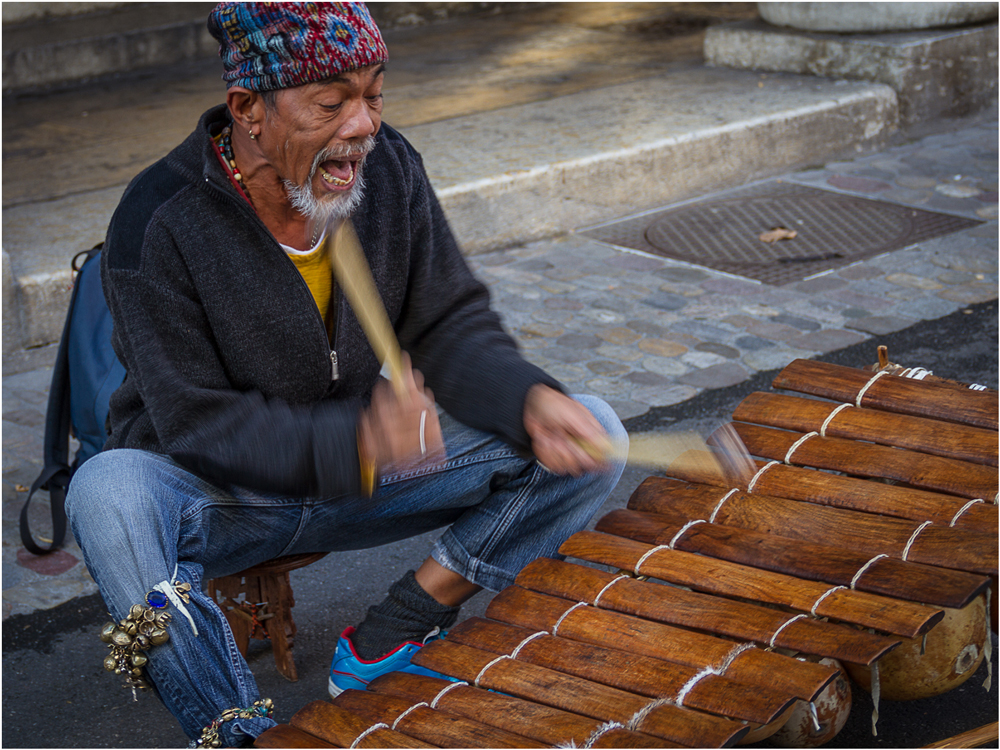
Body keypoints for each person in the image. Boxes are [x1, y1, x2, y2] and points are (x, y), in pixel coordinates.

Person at [66, 3, 627, 746]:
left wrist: (524, 397)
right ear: (248, 111)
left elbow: (448, 322)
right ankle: (240, 734)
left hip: (381, 478)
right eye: (332, 103)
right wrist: (355, 442)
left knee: (597, 430)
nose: (363, 125)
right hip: (230, 498)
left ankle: (393, 632)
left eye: (374, 93)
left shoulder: (388, 166)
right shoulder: (157, 217)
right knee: (106, 493)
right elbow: (195, 421)